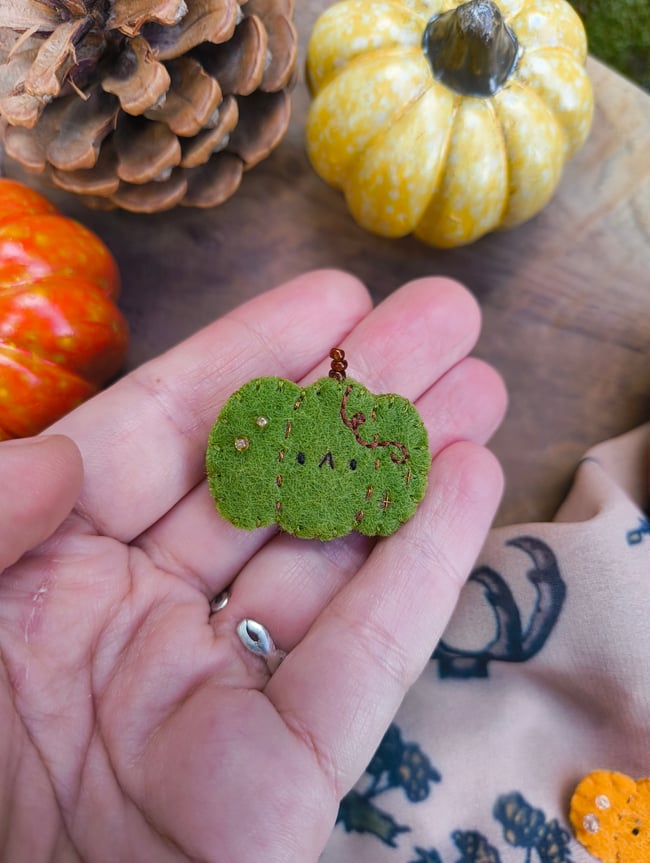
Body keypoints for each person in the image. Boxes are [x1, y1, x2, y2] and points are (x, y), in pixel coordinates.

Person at [0, 270, 507, 862]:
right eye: (301, 459)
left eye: (339, 467)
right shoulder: (262, 428)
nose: (320, 472)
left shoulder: (374, 450)